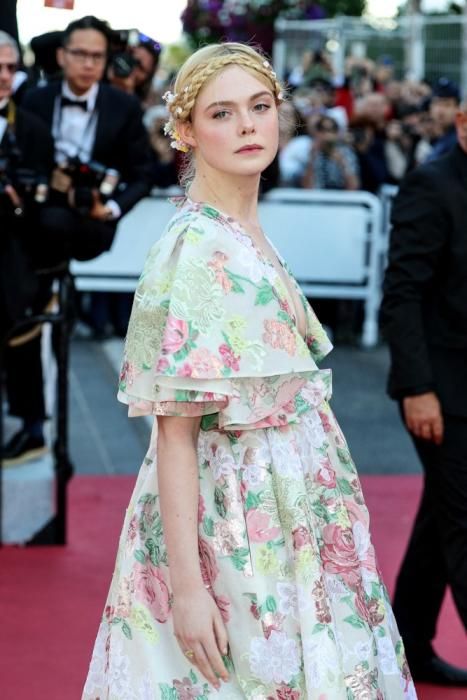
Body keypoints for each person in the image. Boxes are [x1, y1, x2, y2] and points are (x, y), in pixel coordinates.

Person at [82, 43, 417, 699]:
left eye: (259, 107)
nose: (246, 126)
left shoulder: (243, 234)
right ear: (184, 130)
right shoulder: (196, 249)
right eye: (222, 112)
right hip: (230, 524)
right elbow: (174, 434)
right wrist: (187, 589)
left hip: (290, 512)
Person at [2, 15, 152, 465]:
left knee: (41, 240)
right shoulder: (34, 100)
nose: (88, 64)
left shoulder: (123, 108)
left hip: (90, 221)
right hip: (37, 217)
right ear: (62, 56)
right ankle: (36, 291)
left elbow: (144, 173)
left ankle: (35, 289)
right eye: (80, 54)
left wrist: (113, 206)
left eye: (98, 56)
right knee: (33, 249)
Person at [380, 99, 467, 686]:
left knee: (445, 516)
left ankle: (403, 644)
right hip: (443, 390)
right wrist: (416, 388)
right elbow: (402, 294)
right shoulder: (431, 187)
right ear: (463, 124)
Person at [0, 30, 54, 462]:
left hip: (15, 261)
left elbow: (39, 202)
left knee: (23, 340)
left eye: (9, 68)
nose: (4, 77)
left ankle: (31, 428)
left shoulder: (32, 128)